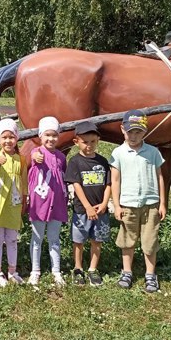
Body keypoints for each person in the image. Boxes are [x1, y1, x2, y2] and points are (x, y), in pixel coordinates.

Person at [110, 110, 167, 293]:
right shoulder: (118, 153)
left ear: (145, 132)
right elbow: (115, 181)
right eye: (130, 132)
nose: (133, 136)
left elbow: (160, 178)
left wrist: (163, 203)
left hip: (150, 204)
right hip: (128, 204)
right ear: (122, 130)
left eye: (138, 132)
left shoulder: (152, 152)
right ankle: (127, 272)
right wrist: (117, 205)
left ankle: (150, 275)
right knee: (127, 240)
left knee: (150, 241)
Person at [64, 121, 111, 287]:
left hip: (101, 210)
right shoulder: (75, 162)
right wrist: (88, 207)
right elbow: (76, 186)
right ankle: (78, 268)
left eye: (93, 141)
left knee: (97, 240)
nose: (89, 145)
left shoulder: (103, 161)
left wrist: (105, 203)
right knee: (79, 241)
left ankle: (92, 269)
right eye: (85, 142)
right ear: (76, 142)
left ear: (98, 140)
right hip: (81, 211)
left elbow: (108, 185)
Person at [0, 118, 28, 287]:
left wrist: (25, 198)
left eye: (11, 137)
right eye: (4, 137)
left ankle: (12, 270)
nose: (8, 140)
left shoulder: (21, 159)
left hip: (14, 206)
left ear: (16, 138)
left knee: (12, 239)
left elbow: (24, 182)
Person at [27, 116, 68, 286]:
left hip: (57, 204)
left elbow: (63, 174)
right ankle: (35, 270)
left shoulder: (60, 157)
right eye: (47, 135)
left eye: (54, 135)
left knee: (54, 239)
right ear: (40, 136)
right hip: (40, 204)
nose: (51, 139)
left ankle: (56, 271)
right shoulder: (36, 153)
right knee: (36, 238)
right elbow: (32, 156)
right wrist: (36, 155)